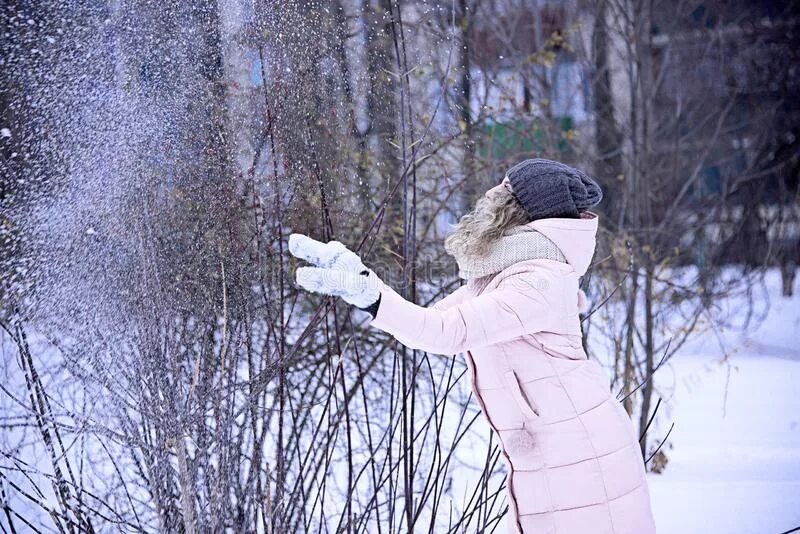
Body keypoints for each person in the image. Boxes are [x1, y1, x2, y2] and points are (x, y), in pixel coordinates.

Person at [288, 158, 657, 534]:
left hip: (582, 455)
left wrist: (373, 297)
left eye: (506, 189)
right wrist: (364, 281)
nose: (491, 194)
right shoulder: (505, 273)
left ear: (522, 211)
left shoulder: (539, 281)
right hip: (556, 450)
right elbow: (429, 326)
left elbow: (449, 332)